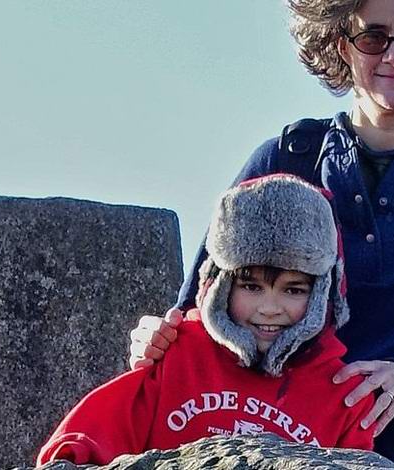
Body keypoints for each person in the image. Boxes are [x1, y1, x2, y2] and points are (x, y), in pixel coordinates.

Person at [128, 1, 394, 469]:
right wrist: (158, 338)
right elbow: (201, 312)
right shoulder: (285, 162)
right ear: (344, 45)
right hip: (285, 448)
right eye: (373, 37)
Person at [37, 175, 376, 466]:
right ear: (219, 285)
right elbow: (80, 442)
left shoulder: (345, 397)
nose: (270, 308)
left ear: (323, 295)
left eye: (293, 290)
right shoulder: (177, 354)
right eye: (251, 287)